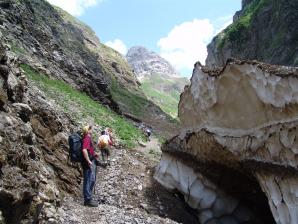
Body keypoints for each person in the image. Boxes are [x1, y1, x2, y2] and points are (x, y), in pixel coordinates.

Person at [81, 125, 99, 207]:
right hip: (87, 162)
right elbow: (84, 150)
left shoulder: (86, 137)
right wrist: (88, 160)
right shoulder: (87, 138)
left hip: (88, 161)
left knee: (90, 179)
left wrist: (94, 154)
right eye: (90, 129)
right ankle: (87, 199)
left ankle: (88, 198)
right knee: (89, 180)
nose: (92, 130)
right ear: (88, 130)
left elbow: (89, 150)